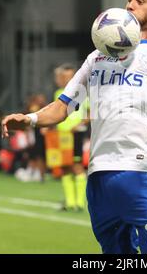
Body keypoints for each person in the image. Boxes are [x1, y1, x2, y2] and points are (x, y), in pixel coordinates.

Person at [2, 0, 147, 254]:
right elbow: (62, 106)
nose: (130, 5)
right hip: (99, 176)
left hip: (139, 172)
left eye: (140, 1)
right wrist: (29, 119)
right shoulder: (96, 58)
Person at [53, 64, 90, 211]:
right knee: (65, 167)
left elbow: (90, 113)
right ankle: (70, 202)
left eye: (69, 76)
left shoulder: (81, 93)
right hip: (62, 135)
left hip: (75, 134)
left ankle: (80, 202)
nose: (66, 79)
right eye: (64, 76)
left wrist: (80, 124)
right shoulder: (58, 93)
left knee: (77, 166)